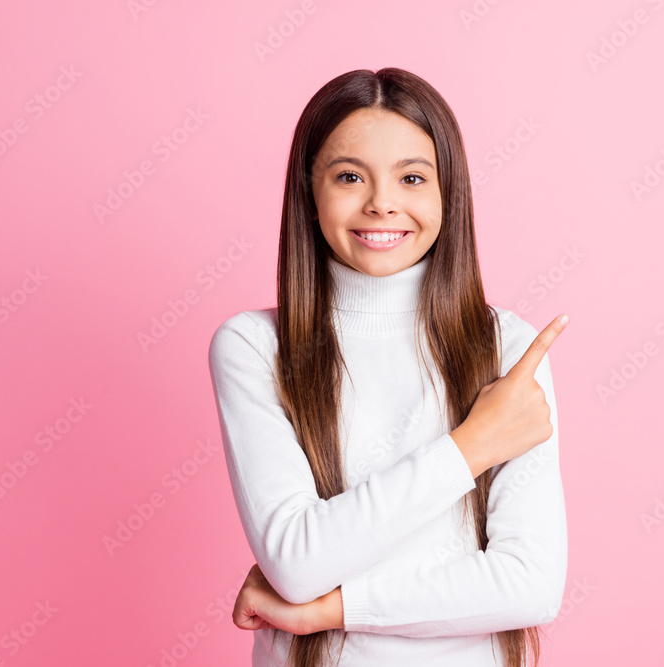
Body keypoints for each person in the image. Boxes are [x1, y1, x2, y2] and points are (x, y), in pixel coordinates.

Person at [207, 67, 569, 667]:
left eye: (412, 177)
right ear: (309, 190)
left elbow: (529, 584)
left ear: (447, 193)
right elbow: (297, 562)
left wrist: (330, 610)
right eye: (349, 176)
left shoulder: (506, 346)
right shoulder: (253, 347)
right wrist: (471, 446)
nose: (382, 202)